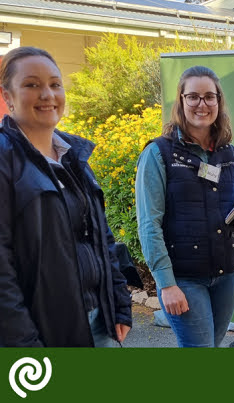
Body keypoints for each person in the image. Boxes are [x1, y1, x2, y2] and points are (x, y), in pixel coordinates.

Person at [0, 46, 132, 347]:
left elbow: (102, 238)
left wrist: (120, 304)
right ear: (7, 96)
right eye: (32, 84)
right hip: (42, 333)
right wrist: (24, 344)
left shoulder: (74, 157)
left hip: (99, 322)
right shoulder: (5, 160)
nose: (47, 94)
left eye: (55, 84)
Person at [136, 65, 234, 347]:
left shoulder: (228, 153)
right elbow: (149, 225)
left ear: (219, 101)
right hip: (183, 278)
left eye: (209, 96)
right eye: (193, 96)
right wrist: (166, 284)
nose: (202, 104)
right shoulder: (158, 153)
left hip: (226, 276)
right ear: (181, 101)